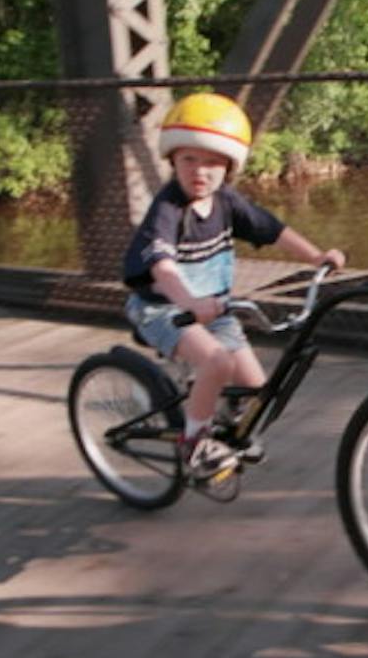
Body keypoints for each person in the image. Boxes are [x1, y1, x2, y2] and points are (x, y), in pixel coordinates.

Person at [122, 92, 346, 479]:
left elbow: (271, 229)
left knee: (260, 391)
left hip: (214, 311)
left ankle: (220, 420)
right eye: (189, 159)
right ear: (172, 159)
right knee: (217, 362)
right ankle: (195, 443)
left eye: (212, 162)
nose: (200, 171)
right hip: (164, 310)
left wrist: (316, 257)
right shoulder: (169, 208)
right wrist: (190, 302)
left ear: (229, 167)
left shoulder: (226, 202)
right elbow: (162, 267)